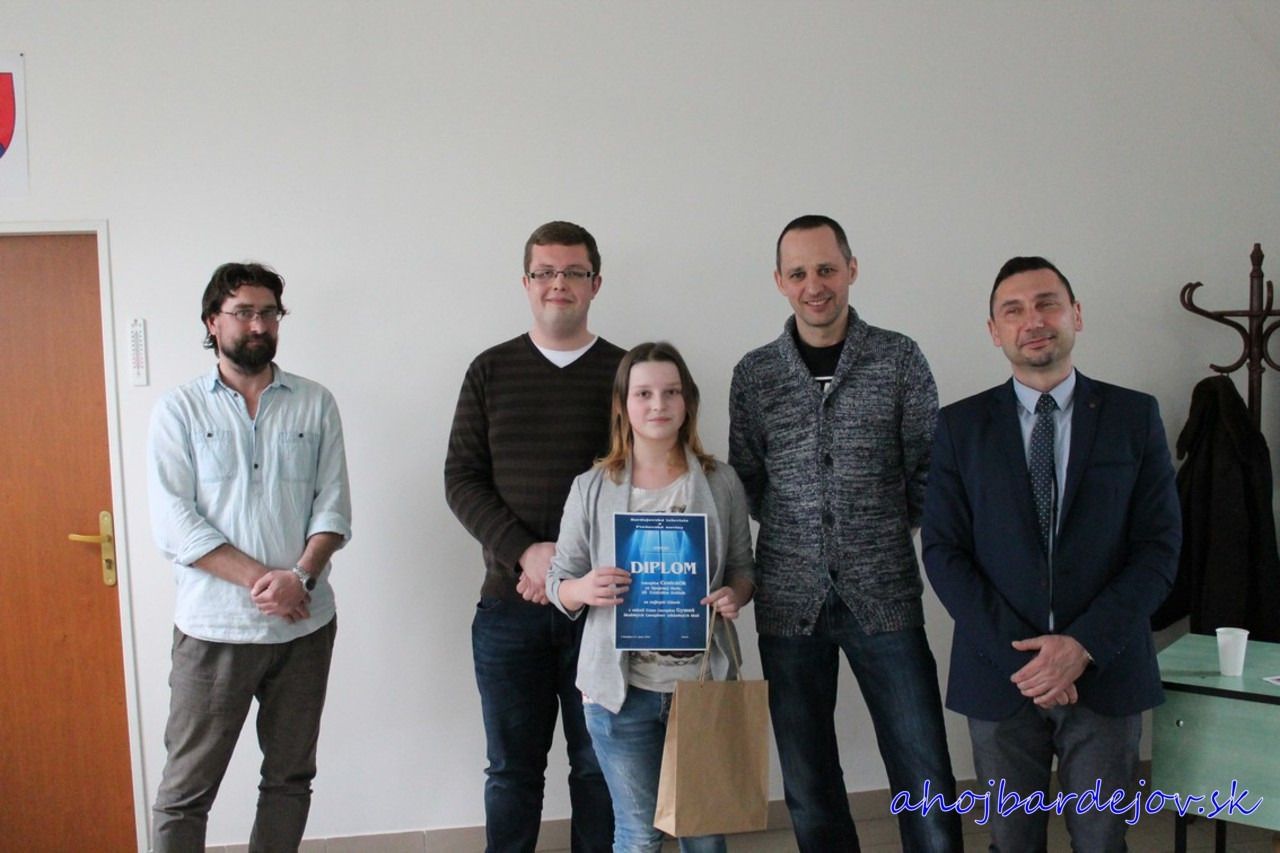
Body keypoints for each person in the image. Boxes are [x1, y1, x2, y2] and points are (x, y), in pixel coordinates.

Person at [920, 256, 1181, 851]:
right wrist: (1032, 663)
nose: (1032, 320)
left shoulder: (1133, 416)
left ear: (1075, 315)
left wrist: (1081, 647)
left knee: (1101, 840)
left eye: (1047, 304)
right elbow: (944, 552)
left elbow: (1159, 549)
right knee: (1011, 841)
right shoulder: (959, 427)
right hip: (1000, 676)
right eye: (1013, 310)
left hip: (1106, 672)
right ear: (995, 331)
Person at [729, 215, 961, 852]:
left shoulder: (898, 358)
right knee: (808, 778)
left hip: (883, 593)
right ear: (779, 281)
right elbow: (748, 477)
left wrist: (873, 526)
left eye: (827, 269)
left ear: (851, 269)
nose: (815, 285)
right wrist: (805, 524)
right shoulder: (756, 374)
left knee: (923, 766)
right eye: (799, 273)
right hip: (787, 600)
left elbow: (930, 468)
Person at [146, 262, 351, 851]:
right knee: (186, 791)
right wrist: (272, 582)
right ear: (213, 321)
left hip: (304, 629)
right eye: (243, 312)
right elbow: (175, 523)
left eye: (269, 312)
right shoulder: (179, 410)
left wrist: (301, 578)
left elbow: (333, 508)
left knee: (289, 779)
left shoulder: (315, 402)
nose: (258, 324)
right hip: (215, 630)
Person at [445, 221, 621, 852]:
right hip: (509, 606)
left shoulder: (626, 373)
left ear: (595, 283)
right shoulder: (489, 370)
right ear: (526, 282)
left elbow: (643, 482)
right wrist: (527, 553)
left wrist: (567, 569)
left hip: (601, 609)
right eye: (545, 272)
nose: (558, 284)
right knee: (512, 772)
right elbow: (461, 479)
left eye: (573, 272)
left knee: (598, 767)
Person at [547, 342, 757, 853]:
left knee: (703, 832)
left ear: (688, 402)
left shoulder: (721, 482)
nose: (658, 404)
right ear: (623, 404)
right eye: (643, 393)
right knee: (638, 836)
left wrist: (734, 596)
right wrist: (584, 589)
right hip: (620, 694)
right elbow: (558, 582)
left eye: (671, 392)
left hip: (700, 686)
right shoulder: (591, 487)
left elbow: (742, 570)